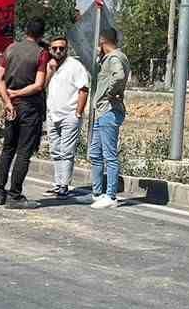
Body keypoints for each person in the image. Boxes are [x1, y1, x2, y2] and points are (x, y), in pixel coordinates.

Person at [0, 17, 48, 209]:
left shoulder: (10, 49)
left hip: (11, 107)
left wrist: (7, 101)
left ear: (25, 31)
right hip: (29, 108)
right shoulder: (41, 53)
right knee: (24, 151)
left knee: (8, 148)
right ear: (41, 35)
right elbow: (39, 85)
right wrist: (18, 93)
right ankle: (14, 194)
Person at [87, 27, 130, 208]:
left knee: (109, 155)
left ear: (103, 41)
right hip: (102, 111)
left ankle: (111, 196)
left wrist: (111, 92)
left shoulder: (114, 58)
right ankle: (97, 193)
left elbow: (119, 76)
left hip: (109, 111)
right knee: (95, 153)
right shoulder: (108, 58)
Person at [44, 35, 89, 197]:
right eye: (54, 48)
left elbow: (83, 89)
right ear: (50, 50)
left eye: (61, 48)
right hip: (53, 115)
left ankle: (64, 184)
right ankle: (58, 183)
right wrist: (50, 70)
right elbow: (42, 86)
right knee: (55, 150)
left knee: (66, 151)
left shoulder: (75, 66)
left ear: (66, 49)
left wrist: (78, 112)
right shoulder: (50, 66)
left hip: (70, 115)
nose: (58, 51)